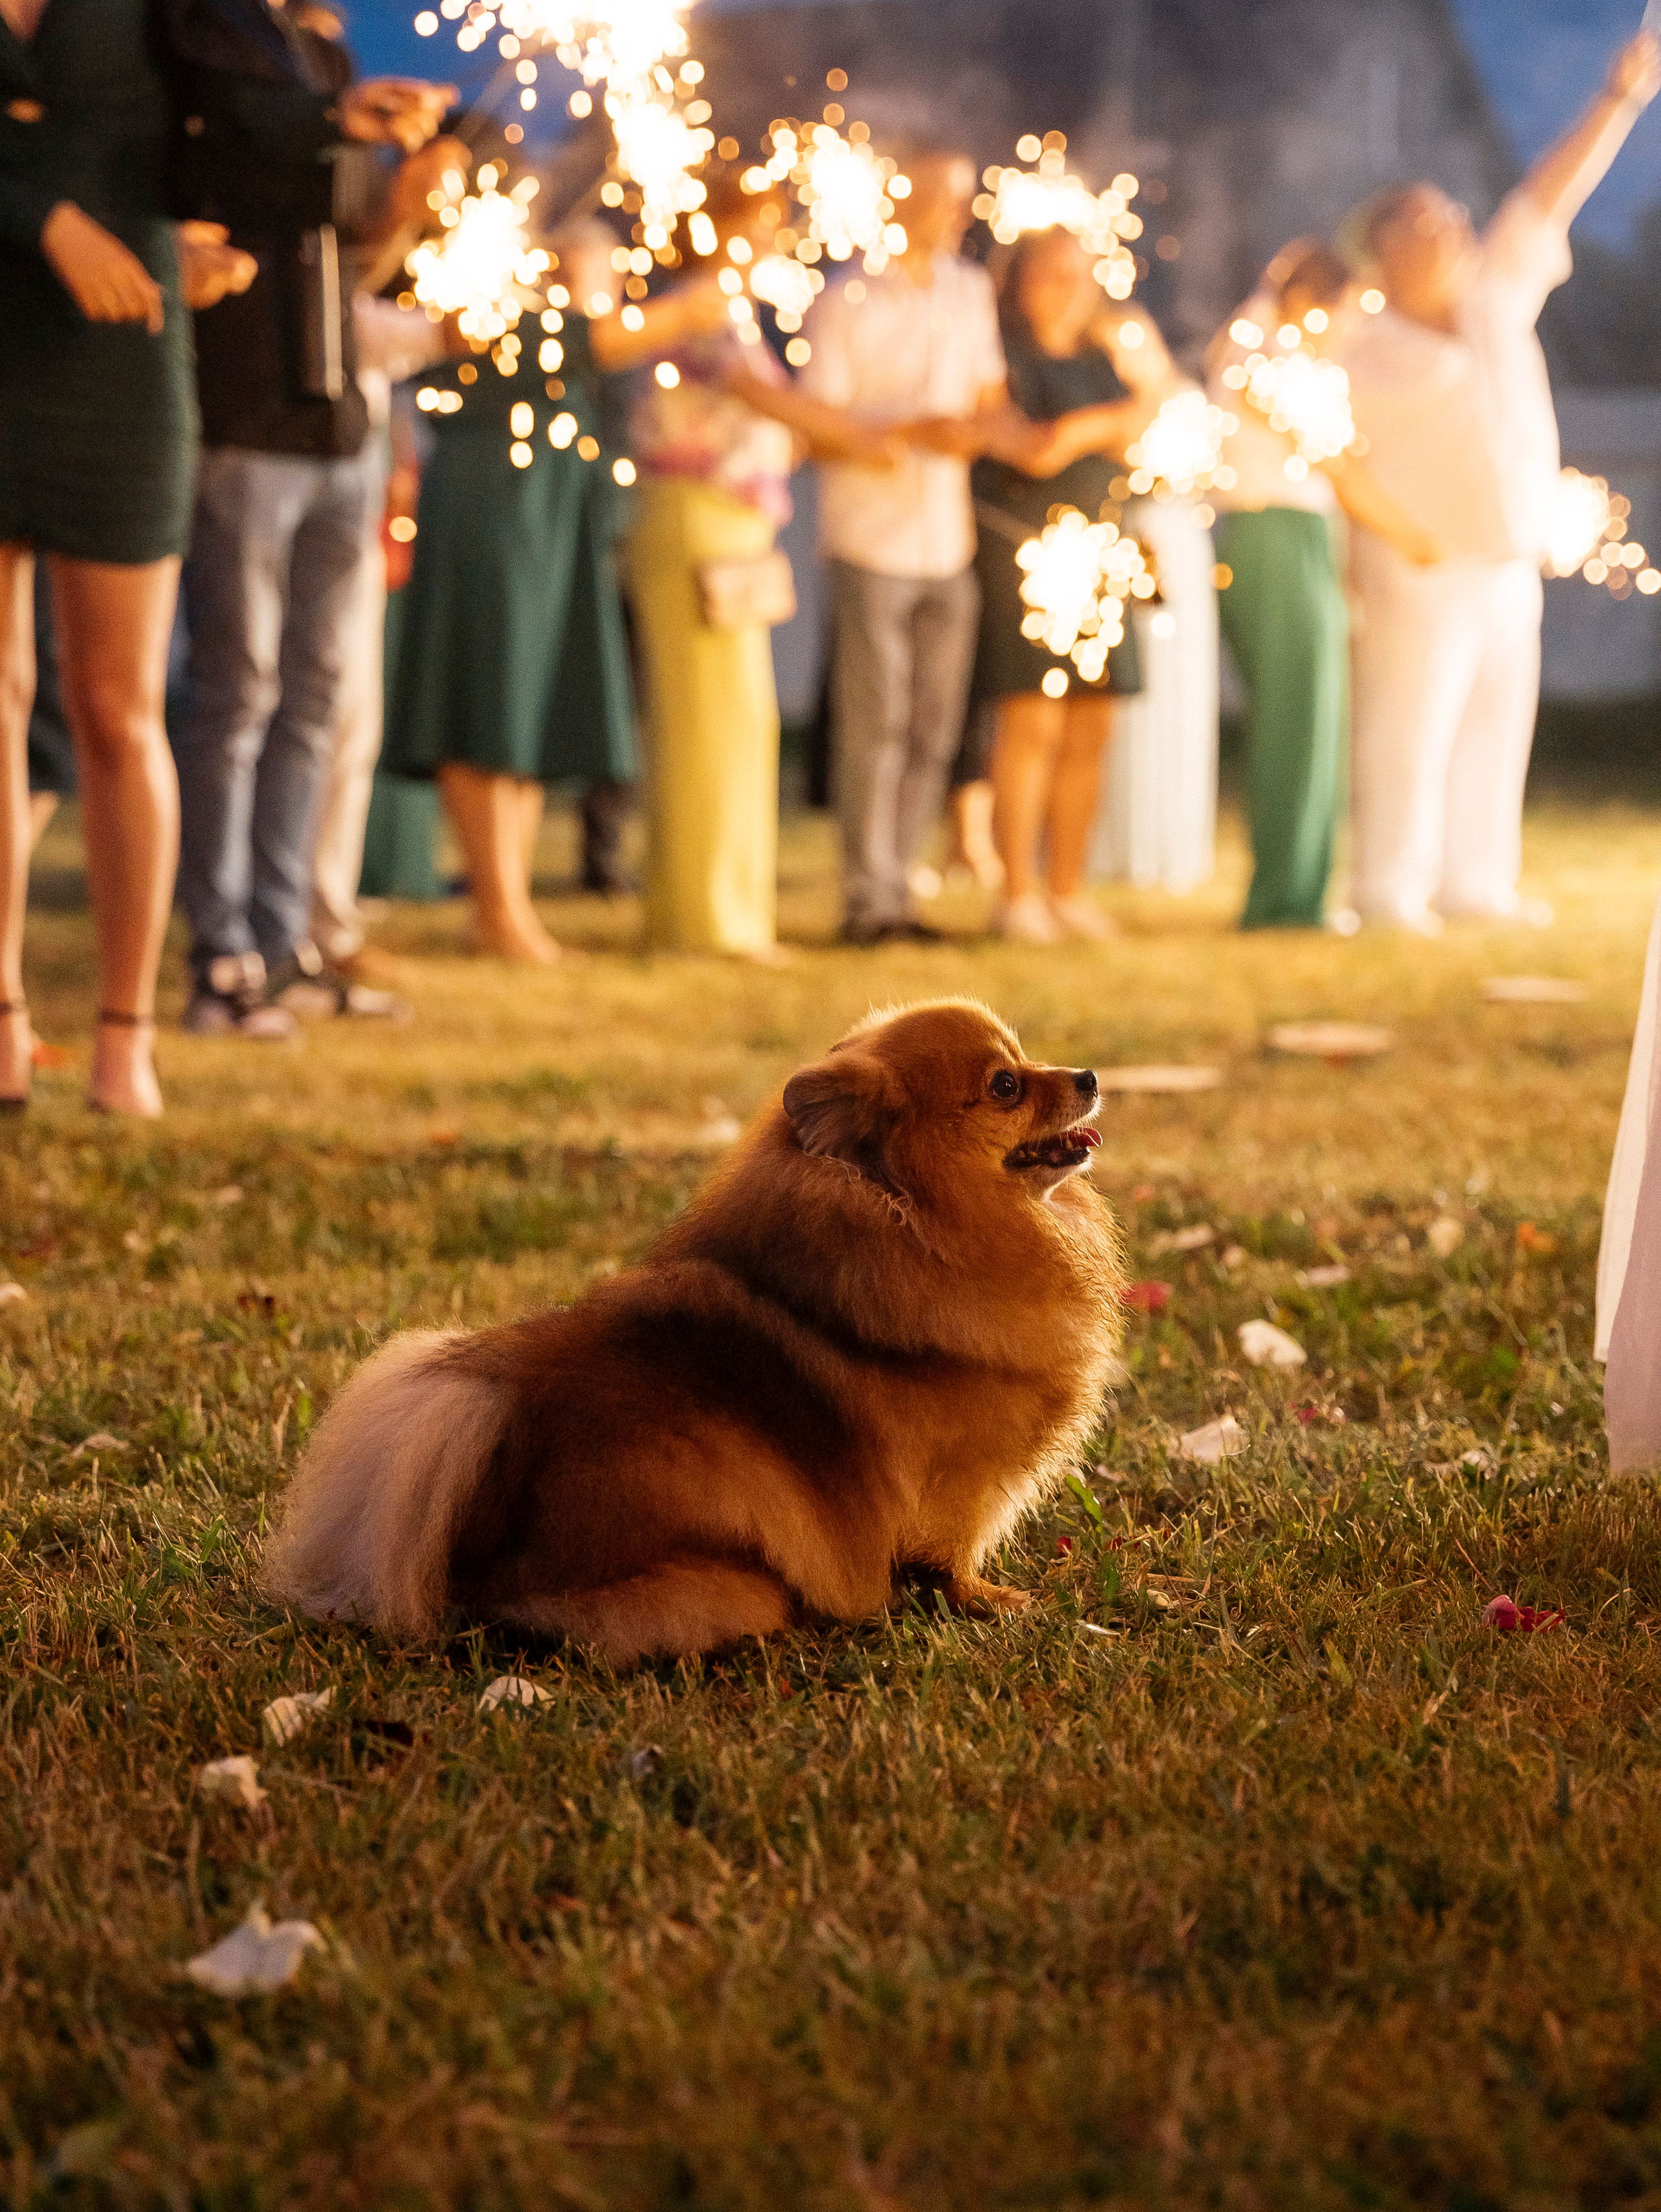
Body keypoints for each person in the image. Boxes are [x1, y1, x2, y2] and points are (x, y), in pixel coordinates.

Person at [0, 0, 443, 1112]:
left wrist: (336, 113)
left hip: (123, 350)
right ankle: (2, 1014)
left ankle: (124, 1030)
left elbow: (235, 132)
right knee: (0, 698)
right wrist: (48, 218)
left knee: (118, 705)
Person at [1335, 29, 1660, 935]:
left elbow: (1544, 205)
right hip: (1418, 561)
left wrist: (1617, 101)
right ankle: (1388, 889)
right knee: (1408, 726)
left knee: (1494, 717)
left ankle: (1476, 881)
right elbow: (1335, 456)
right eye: (1427, 220)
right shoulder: (1361, 349)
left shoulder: (1494, 303)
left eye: (1451, 215)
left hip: (1508, 551)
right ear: (1384, 247)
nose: (1452, 229)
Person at [174, 7, 455, 1031]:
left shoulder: (331, 59)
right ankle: (222, 956)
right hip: (245, 412)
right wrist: (338, 115)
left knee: (316, 696)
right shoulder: (210, 40)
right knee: (235, 688)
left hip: (342, 429)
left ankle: (285, 939)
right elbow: (234, 171)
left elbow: (350, 256)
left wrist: (406, 209)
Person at [613, 172, 893, 957]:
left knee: (728, 721)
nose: (775, 238)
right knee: (710, 720)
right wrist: (861, 437)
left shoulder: (719, 309)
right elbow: (764, 402)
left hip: (728, 522)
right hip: (696, 518)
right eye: (760, 222)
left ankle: (707, 911)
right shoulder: (702, 308)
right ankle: (711, 921)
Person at [382, 207, 641, 963]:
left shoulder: (550, 340)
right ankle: (496, 904)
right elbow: (598, 338)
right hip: (490, 506)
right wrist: (702, 300)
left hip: (545, 511)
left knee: (522, 706)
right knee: (488, 696)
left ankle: (508, 901)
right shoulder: (493, 315)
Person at [797, 145, 1007, 945]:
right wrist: (911, 429)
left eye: (963, 199)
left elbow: (986, 396)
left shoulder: (969, 292)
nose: (956, 215)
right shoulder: (849, 300)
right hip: (870, 537)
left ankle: (901, 881)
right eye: (942, 197)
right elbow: (820, 423)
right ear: (902, 197)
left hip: (945, 538)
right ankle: (866, 894)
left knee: (932, 726)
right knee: (873, 721)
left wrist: (973, 430)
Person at [1206, 241, 1446, 930]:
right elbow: (1332, 462)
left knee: (1318, 718)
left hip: (1306, 537)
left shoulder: (1305, 365)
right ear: (1310, 302)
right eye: (1345, 311)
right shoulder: (1256, 354)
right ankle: (1280, 896)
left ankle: (1308, 890)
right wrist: (1412, 537)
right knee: (1292, 716)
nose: (1350, 329)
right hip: (1268, 536)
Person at [957, 228, 1150, 944]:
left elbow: (1143, 427)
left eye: (1079, 273)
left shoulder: (1101, 356)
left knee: (1092, 722)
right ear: (1019, 281)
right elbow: (1033, 449)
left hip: (1102, 553)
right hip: (1027, 553)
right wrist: (1095, 427)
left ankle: (1066, 887)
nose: (1069, 287)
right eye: (1051, 274)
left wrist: (1089, 428)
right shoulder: (1002, 353)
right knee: (1031, 721)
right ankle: (1016, 893)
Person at [1087, 303, 1220, 904]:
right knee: (1132, 703)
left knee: (1181, 692)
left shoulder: (1186, 403)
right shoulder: (1109, 413)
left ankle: (1174, 845)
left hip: (1181, 548)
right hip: (1130, 543)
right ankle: (1119, 846)